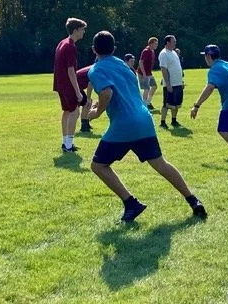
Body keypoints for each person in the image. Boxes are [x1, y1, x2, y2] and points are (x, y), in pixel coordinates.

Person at [87, 31, 207, 222]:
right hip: (144, 119)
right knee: (160, 163)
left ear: (94, 49)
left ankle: (131, 203)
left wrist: (95, 112)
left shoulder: (95, 70)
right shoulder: (123, 65)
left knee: (98, 165)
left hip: (124, 124)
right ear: (114, 48)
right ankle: (193, 200)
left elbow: (107, 93)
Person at [53, 17, 87, 152]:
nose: (83, 32)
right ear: (76, 30)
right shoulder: (70, 46)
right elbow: (71, 70)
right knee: (74, 111)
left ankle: (65, 142)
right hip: (67, 84)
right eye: (82, 30)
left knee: (67, 111)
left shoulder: (62, 43)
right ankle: (68, 145)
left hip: (60, 83)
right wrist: (77, 91)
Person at [158, 35, 184, 129]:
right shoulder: (164, 53)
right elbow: (163, 69)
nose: (175, 43)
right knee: (166, 103)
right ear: (167, 42)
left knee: (176, 103)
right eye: (173, 41)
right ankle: (163, 122)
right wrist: (168, 84)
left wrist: (181, 81)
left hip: (178, 83)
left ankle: (174, 120)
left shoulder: (173, 52)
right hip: (170, 84)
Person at [137, 37, 158, 109]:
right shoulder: (146, 51)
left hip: (149, 73)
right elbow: (141, 62)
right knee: (146, 89)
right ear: (151, 43)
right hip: (143, 73)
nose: (157, 45)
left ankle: (148, 102)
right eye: (155, 43)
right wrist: (144, 73)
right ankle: (144, 105)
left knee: (154, 86)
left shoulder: (152, 51)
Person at [76, 65, 96, 132]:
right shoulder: (95, 70)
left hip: (77, 87)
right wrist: (88, 98)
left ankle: (86, 123)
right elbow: (90, 84)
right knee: (86, 103)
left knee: (88, 103)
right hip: (73, 87)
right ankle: (84, 126)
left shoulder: (94, 67)